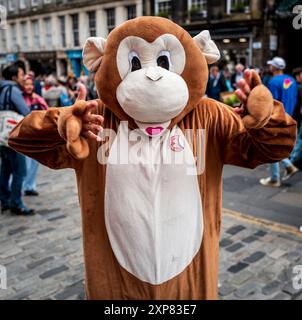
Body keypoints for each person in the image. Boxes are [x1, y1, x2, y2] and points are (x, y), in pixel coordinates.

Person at [0, 63, 35, 215]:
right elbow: (25, 111)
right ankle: (17, 203)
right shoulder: (12, 89)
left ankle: (5, 199)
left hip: (1, 135)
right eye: (21, 75)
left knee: (5, 169)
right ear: (14, 77)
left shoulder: (1, 88)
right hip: (12, 135)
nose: (23, 78)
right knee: (20, 170)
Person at [260, 57, 298, 187]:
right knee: (276, 145)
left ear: (275, 67)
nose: (269, 67)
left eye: (271, 65)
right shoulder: (291, 80)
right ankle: (287, 167)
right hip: (289, 116)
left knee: (271, 146)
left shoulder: (274, 81)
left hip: (277, 118)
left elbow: (272, 102)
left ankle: (275, 178)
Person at [22, 75, 48, 196]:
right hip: (23, 136)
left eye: (30, 84)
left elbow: (47, 112)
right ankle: (21, 186)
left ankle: (30, 186)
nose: (29, 87)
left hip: (36, 136)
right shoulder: (20, 99)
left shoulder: (37, 99)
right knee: (24, 164)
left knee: (34, 163)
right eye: (26, 84)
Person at [291, 67, 302, 169]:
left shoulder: (297, 87)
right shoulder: (298, 87)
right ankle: (294, 159)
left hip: (297, 115)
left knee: (298, 137)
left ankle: (292, 159)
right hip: (298, 115)